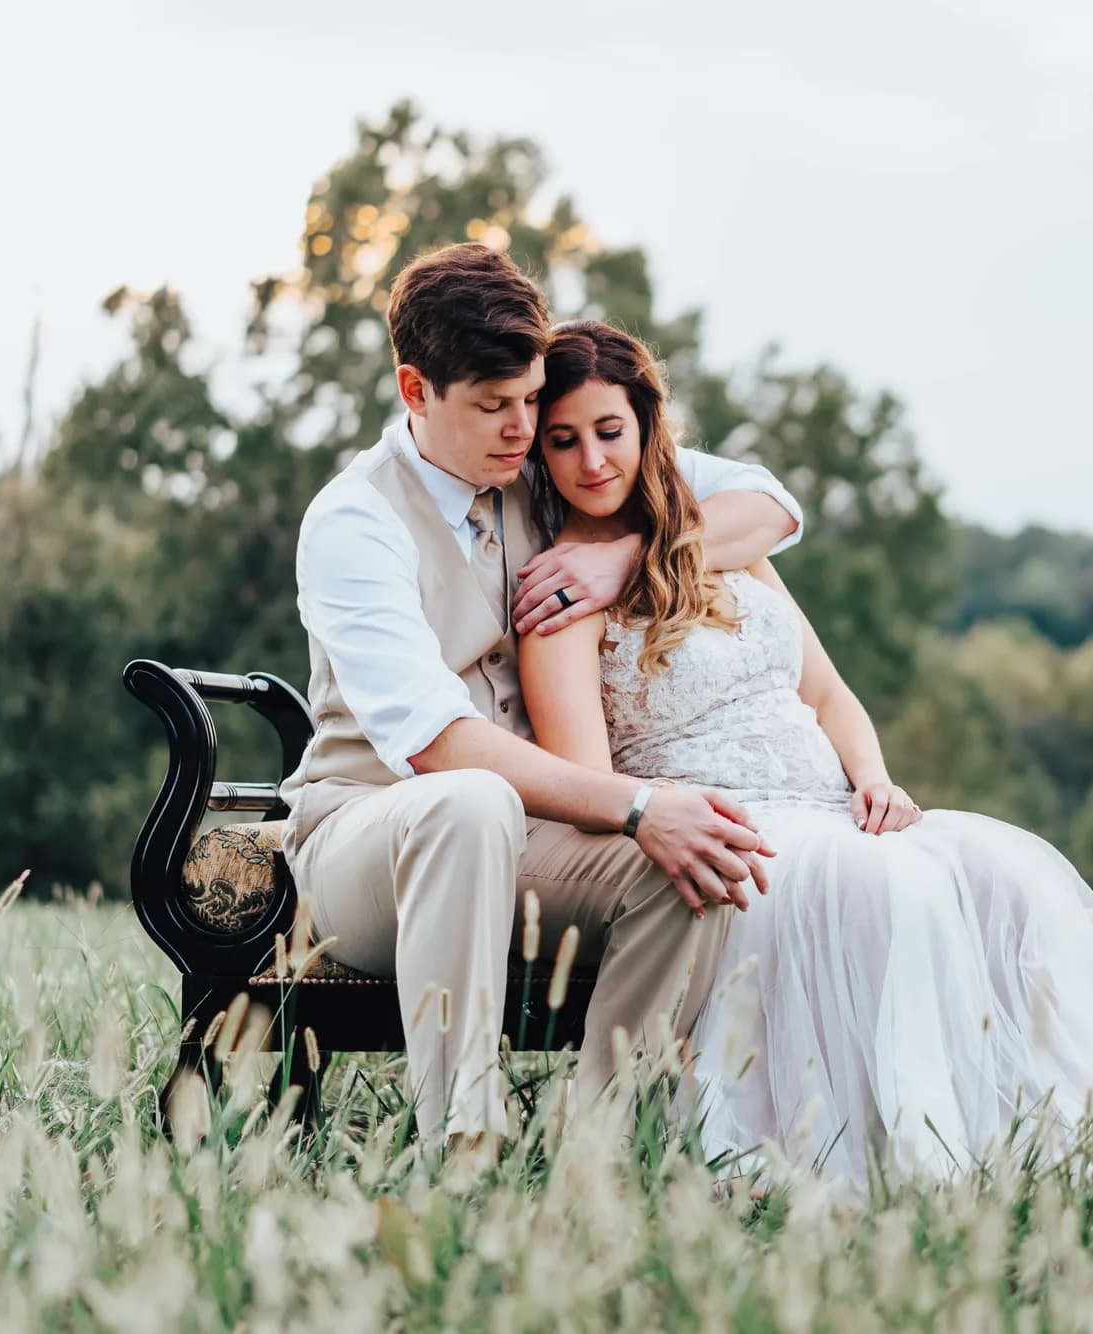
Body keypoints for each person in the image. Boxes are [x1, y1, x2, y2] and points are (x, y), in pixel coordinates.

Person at [519, 320, 1093, 1185]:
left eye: (609, 431)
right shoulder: (558, 595)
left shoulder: (722, 549)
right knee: (894, 890)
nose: (591, 460)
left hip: (834, 803)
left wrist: (876, 780)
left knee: (999, 879)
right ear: (538, 454)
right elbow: (591, 781)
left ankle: (1045, 1152)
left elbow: (827, 694)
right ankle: (910, 1166)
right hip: (730, 829)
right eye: (564, 440)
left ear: (649, 429)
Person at [278, 244, 804, 1151]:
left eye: (529, 400)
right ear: (415, 389)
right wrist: (641, 805)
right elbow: (437, 745)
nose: (524, 429)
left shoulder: (539, 462)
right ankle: (465, 1146)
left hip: (528, 840)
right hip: (370, 843)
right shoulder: (354, 520)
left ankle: (602, 1149)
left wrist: (625, 553)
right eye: (493, 408)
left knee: (695, 868)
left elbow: (769, 503)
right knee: (470, 800)